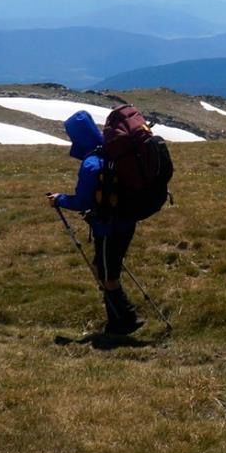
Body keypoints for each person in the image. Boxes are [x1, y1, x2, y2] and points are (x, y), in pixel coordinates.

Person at [46, 110, 141, 334]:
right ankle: (118, 319)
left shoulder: (91, 163)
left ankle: (124, 321)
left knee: (108, 276)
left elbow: (82, 200)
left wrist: (59, 199)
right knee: (104, 267)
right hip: (125, 220)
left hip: (109, 226)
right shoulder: (111, 151)